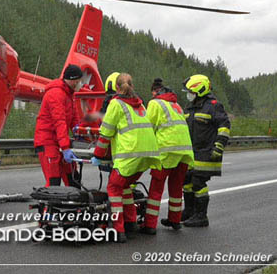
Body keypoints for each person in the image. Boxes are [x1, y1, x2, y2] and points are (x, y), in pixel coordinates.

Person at [91, 73, 161, 242]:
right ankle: (131, 223)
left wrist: (98, 155)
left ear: (116, 87)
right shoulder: (140, 103)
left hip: (130, 155)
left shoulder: (116, 104)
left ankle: (119, 230)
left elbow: (106, 132)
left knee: (113, 188)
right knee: (126, 186)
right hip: (148, 155)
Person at [140, 78, 195, 234]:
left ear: (155, 92)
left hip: (167, 151)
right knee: (176, 188)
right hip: (184, 151)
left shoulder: (155, 104)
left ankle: (150, 225)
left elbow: (148, 127)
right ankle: (175, 220)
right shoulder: (176, 105)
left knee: (156, 189)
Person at [181, 74, 230, 227]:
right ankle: (189, 211)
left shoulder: (214, 106)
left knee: (198, 182)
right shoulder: (190, 106)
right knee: (186, 180)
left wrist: (219, 146)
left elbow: (224, 127)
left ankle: (201, 216)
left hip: (207, 152)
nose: (189, 95)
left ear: (200, 90)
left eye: (191, 91)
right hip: (192, 152)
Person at [34, 64, 83, 187]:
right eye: (79, 81)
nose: (80, 84)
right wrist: (65, 147)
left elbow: (74, 117)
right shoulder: (56, 94)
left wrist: (79, 132)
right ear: (74, 80)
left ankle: (73, 205)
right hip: (48, 141)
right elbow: (59, 121)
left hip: (59, 141)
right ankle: (48, 206)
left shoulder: (69, 94)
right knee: (54, 182)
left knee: (73, 179)